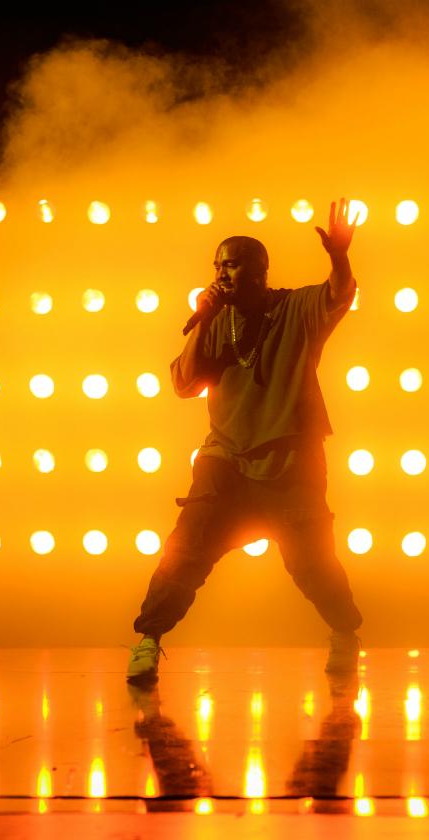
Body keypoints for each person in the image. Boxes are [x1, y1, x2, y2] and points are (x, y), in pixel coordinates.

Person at [126, 198, 364, 683]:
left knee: (312, 565)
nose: (220, 273)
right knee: (184, 553)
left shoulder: (294, 308)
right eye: (216, 266)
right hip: (225, 460)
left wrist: (339, 255)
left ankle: (344, 632)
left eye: (230, 264)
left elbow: (339, 293)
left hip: (289, 459)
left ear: (258, 270)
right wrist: (203, 317)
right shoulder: (217, 321)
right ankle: (148, 639)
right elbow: (184, 384)